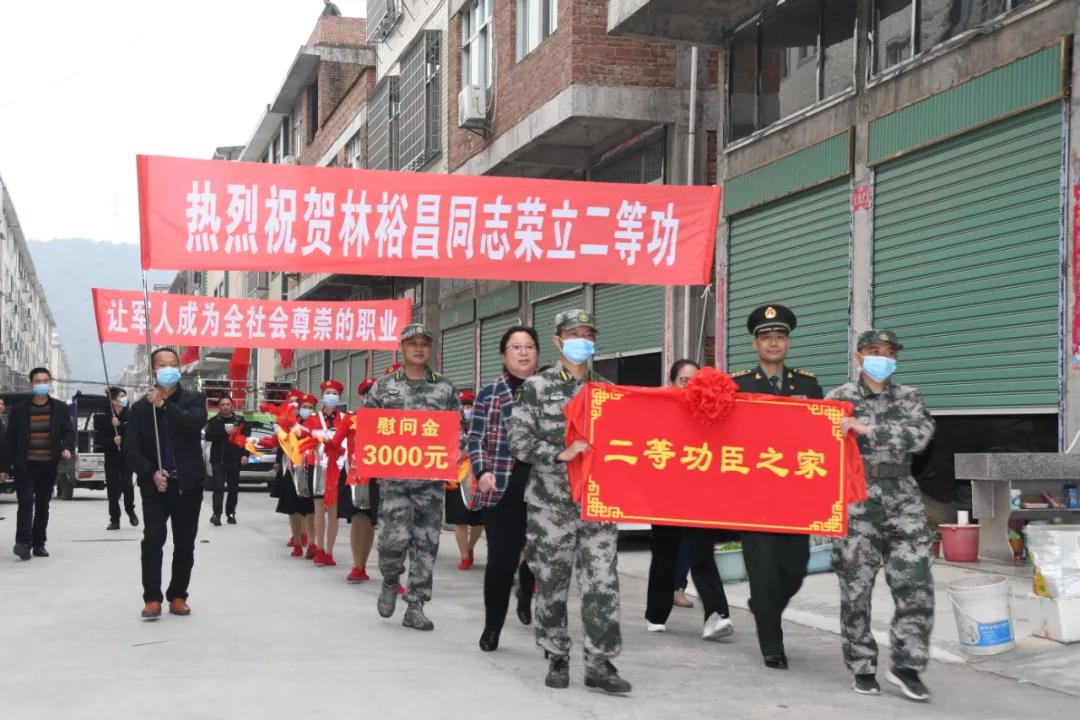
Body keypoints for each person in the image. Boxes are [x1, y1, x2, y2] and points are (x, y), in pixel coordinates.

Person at [508, 309, 631, 694]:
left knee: (602, 583)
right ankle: (556, 654)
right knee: (552, 582)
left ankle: (600, 662)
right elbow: (518, 442)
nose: (582, 340)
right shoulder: (536, 387)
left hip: (597, 504)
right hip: (551, 506)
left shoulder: (608, 391)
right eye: (574, 334)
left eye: (588, 334)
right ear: (559, 341)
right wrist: (559, 453)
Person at [827, 329, 936, 701]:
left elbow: (919, 437)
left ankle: (907, 666)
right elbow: (816, 447)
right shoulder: (838, 399)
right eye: (875, 350)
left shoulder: (910, 397)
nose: (883, 357)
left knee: (916, 585)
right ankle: (862, 666)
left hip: (904, 502)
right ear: (859, 356)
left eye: (889, 352)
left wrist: (867, 429)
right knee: (856, 590)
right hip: (856, 503)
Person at [731, 303, 823, 669]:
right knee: (763, 571)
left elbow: (821, 437)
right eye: (766, 337)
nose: (773, 342)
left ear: (788, 342)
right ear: (755, 344)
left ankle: (762, 606)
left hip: (794, 494)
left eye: (780, 336)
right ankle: (772, 645)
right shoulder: (738, 385)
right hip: (754, 494)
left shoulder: (808, 384)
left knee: (795, 569)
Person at [366, 323, 463, 632]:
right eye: (413, 343)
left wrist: (457, 449)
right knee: (391, 542)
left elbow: (458, 427)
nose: (419, 348)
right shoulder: (383, 387)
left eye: (424, 343)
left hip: (430, 482)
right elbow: (368, 428)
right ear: (402, 348)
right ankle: (390, 579)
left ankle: (416, 606)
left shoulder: (444, 388)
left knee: (426, 543)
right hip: (394, 482)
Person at [645, 359, 734, 642]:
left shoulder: (711, 412)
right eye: (684, 381)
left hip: (700, 496)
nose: (690, 386)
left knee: (701, 552)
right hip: (666, 495)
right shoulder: (658, 411)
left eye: (696, 382)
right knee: (665, 554)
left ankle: (716, 615)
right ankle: (656, 614)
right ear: (671, 383)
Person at [468, 325, 540, 652]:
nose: (523, 353)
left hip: (545, 487)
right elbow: (475, 438)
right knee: (501, 560)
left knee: (538, 557)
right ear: (503, 355)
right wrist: (481, 470)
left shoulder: (549, 390)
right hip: (501, 487)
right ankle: (492, 626)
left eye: (529, 346)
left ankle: (527, 587)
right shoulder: (490, 392)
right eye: (516, 347)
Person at [126, 348, 208, 620]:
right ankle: (152, 598)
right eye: (162, 365)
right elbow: (132, 449)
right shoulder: (140, 409)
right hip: (156, 487)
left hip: (188, 485)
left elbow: (194, 423)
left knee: (184, 543)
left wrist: (165, 405)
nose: (168, 369)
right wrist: (151, 473)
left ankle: (178, 595)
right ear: (153, 370)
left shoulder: (193, 400)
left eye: (173, 364)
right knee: (153, 538)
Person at [0, 367, 75, 560]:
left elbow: (68, 431)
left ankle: (39, 543)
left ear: (50, 383)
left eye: (45, 381)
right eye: (38, 381)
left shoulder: (59, 408)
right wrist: (4, 467)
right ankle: (23, 543)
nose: (42, 384)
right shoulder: (19, 409)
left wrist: (67, 447)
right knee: (25, 502)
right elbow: (10, 439)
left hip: (48, 465)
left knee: (43, 505)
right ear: (30, 384)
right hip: (25, 465)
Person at [333, 379, 381, 583]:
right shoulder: (352, 419)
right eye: (368, 393)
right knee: (359, 520)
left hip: (385, 476)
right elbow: (336, 442)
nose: (372, 396)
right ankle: (358, 566)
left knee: (384, 524)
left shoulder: (393, 419)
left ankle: (392, 576)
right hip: (358, 476)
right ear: (362, 397)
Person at [305, 379, 347, 566]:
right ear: (322, 396)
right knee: (319, 509)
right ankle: (319, 548)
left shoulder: (346, 418)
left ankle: (330, 551)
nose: (331, 396)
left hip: (338, 468)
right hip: (318, 466)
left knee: (333, 511)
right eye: (328, 392)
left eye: (335, 393)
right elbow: (304, 441)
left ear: (340, 397)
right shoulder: (313, 418)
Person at [448, 389, 484, 570]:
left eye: (468, 406)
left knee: (480, 519)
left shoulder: (482, 425)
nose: (465, 410)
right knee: (459, 518)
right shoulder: (449, 426)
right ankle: (463, 556)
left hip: (478, 473)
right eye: (462, 406)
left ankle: (470, 547)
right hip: (456, 475)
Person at [95, 387, 139, 530]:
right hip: (111, 457)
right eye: (121, 396)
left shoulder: (131, 416)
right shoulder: (105, 417)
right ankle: (114, 519)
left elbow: (134, 433)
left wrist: (120, 426)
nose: (125, 398)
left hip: (126, 456)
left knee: (127, 485)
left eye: (125, 396)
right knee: (113, 489)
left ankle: (130, 510)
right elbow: (99, 439)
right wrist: (112, 441)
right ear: (114, 401)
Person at [275, 389, 313, 554]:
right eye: (291, 402)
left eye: (299, 403)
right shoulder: (285, 421)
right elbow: (279, 442)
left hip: (310, 466)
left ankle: (307, 536)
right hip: (290, 466)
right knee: (292, 504)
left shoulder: (313, 421)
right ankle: (297, 537)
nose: (296, 405)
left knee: (308, 504)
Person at [204, 395, 249, 527]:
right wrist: (226, 434)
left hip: (234, 460)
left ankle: (231, 514)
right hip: (218, 461)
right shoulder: (213, 421)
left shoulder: (240, 421)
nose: (225, 407)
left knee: (233, 489)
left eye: (227, 404)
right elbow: (208, 436)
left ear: (232, 406)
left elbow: (247, 440)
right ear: (219, 407)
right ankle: (216, 515)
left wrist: (245, 455)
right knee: (218, 488)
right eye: (222, 404)